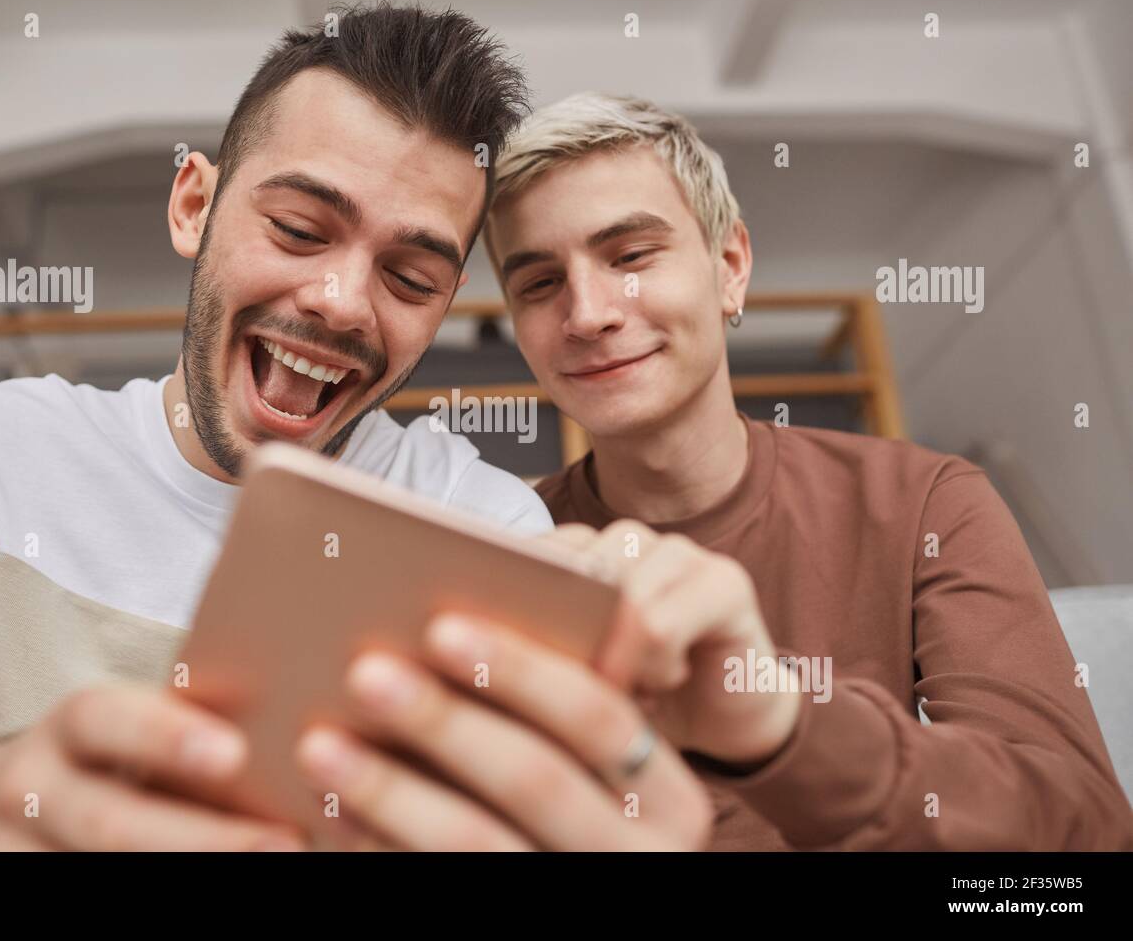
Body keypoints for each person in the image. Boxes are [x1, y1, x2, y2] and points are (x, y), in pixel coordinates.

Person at [0, 7, 715, 851]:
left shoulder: (484, 527)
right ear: (193, 207)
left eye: (409, 279)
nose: (341, 303)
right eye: (299, 230)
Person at [482, 91, 1133, 849]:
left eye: (630, 256)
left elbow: (1081, 853)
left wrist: (784, 720)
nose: (588, 312)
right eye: (538, 284)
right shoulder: (508, 544)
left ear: (729, 267)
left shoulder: (924, 504)